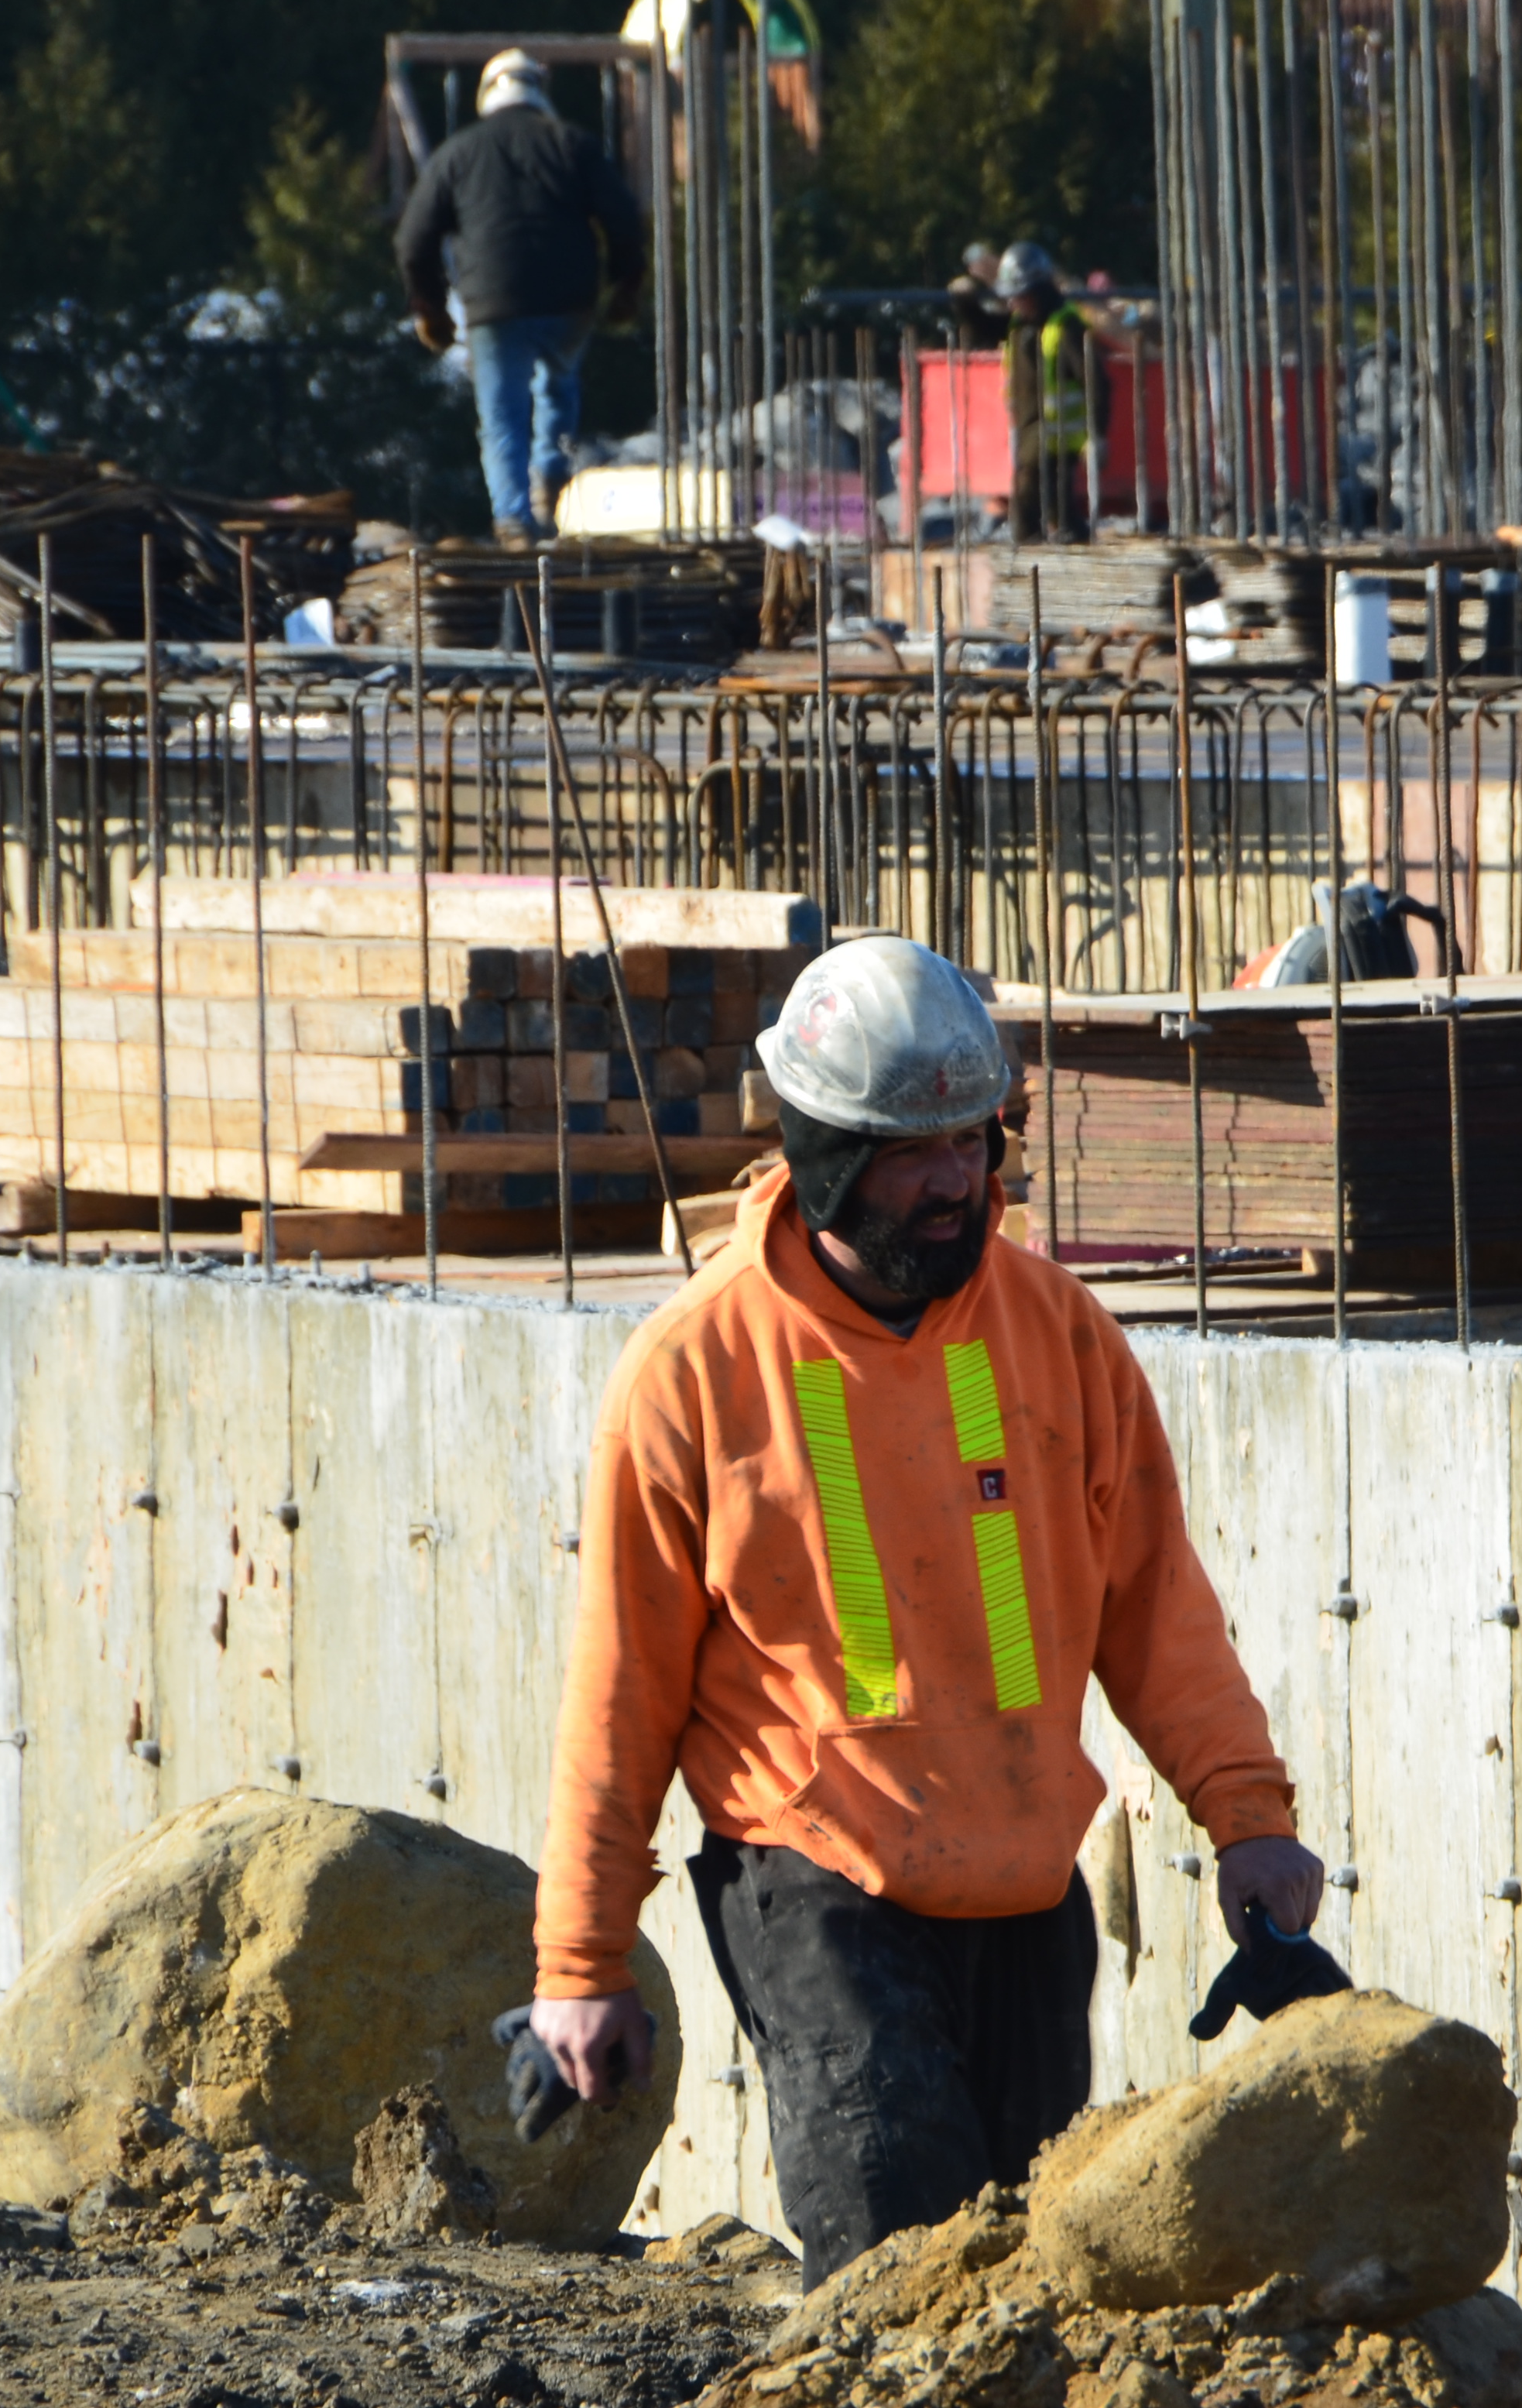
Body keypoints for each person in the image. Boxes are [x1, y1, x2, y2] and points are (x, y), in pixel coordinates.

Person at [526, 937, 1325, 2288]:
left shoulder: (1058, 1334)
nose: (958, 1179)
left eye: (972, 1138)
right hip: (818, 1887)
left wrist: (1248, 1820)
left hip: (1025, 1888)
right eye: (913, 1151)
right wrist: (580, 1959)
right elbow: (622, 1688)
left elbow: (1155, 1608)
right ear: (824, 1149)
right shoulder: (692, 1372)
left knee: (1036, 2281)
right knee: (898, 2276)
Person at [397, 48, 648, 550]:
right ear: (539, 91)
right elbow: (625, 219)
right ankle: (550, 483)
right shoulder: (573, 144)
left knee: (501, 415)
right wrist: (626, 285)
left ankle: (513, 520)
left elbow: (412, 241)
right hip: (569, 300)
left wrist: (430, 307)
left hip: (494, 305)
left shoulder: (458, 153)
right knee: (557, 387)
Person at [999, 242, 1096, 544]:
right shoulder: (1022, 326)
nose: (1014, 303)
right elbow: (980, 327)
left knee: (1032, 500)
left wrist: (1098, 436)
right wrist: (964, 302)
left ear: (1038, 292)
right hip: (1032, 431)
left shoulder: (1066, 326)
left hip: (1059, 436)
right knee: (1051, 505)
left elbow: (1096, 381)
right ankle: (1059, 546)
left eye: (1020, 296)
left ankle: (1034, 551)